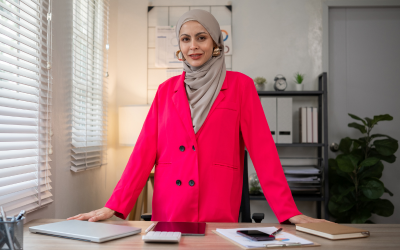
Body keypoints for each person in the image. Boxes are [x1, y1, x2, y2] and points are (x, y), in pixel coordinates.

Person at [68, 9, 331, 224]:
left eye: (201, 37)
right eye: (185, 39)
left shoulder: (241, 86)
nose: (193, 46)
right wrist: (114, 206)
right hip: (170, 208)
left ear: (216, 41)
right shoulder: (165, 90)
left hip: (216, 206)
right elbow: (143, 152)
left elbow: (263, 151)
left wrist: (289, 211)